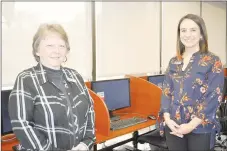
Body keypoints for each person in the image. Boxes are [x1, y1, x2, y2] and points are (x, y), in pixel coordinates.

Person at [8, 23, 95, 151]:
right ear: (37, 50)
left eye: (61, 46)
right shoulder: (26, 79)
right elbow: (22, 124)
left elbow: (90, 110)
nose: (57, 51)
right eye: (50, 46)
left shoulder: (75, 76)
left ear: (67, 50)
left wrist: (86, 143)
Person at [158, 14, 224, 151]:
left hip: (200, 126)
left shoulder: (212, 61)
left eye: (193, 30)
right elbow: (166, 91)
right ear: (179, 34)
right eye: (183, 30)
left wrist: (191, 125)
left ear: (201, 34)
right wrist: (168, 119)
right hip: (174, 124)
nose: (188, 34)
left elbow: (214, 96)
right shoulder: (174, 61)